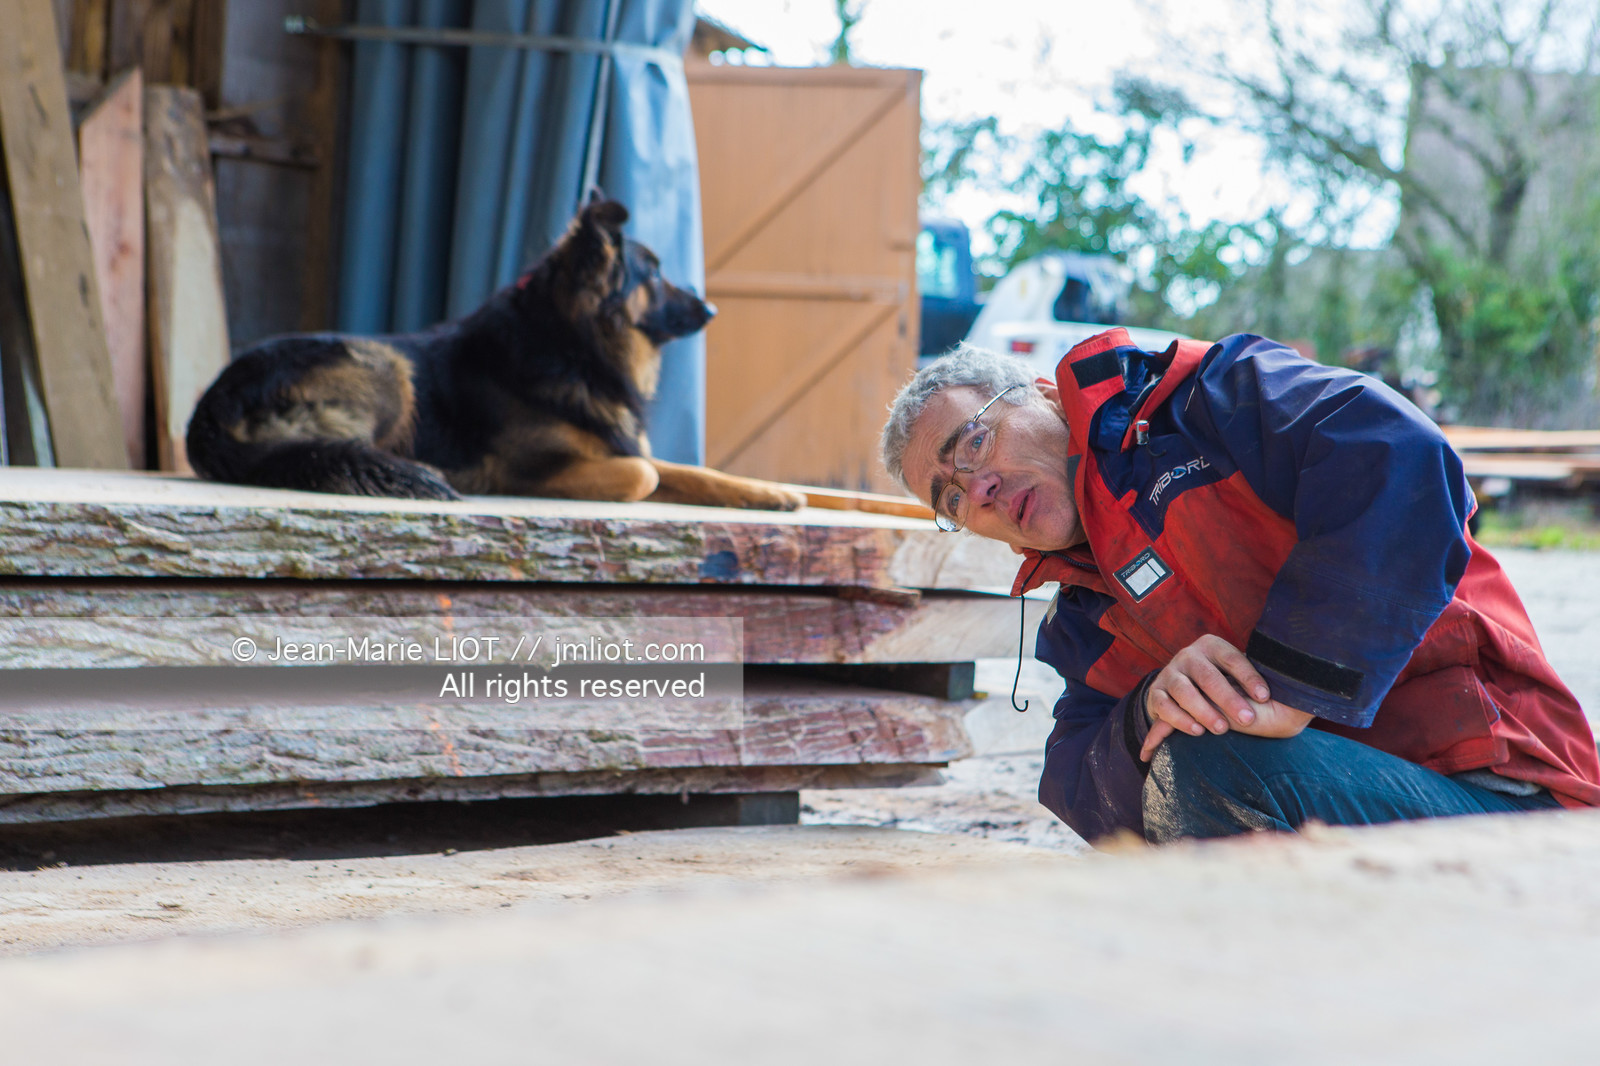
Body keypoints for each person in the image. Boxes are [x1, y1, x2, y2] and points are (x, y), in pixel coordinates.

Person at [881, 329, 1600, 844]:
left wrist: (1288, 687)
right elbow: (1074, 783)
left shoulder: (1214, 403)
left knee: (1212, 759)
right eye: (948, 500)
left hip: (1512, 804)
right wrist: (1147, 708)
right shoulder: (1082, 618)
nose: (978, 488)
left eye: (973, 442)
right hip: (1363, 825)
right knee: (1188, 764)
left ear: (1041, 395)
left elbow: (1399, 456)